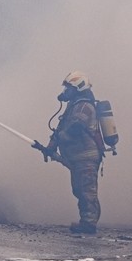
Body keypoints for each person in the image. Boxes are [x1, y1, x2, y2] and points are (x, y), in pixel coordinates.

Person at [33, 71, 104, 235]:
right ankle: (86, 220)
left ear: (78, 88)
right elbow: (61, 129)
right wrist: (51, 146)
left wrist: (60, 139)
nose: (65, 92)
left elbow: (75, 128)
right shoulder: (73, 106)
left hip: (87, 157)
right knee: (78, 190)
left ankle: (89, 223)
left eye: (68, 88)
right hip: (77, 157)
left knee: (87, 191)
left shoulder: (84, 106)